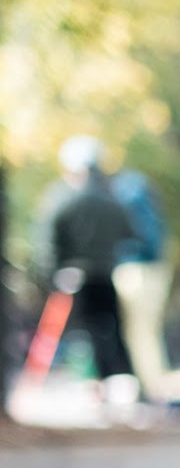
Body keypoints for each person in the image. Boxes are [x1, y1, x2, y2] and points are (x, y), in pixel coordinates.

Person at [36, 136, 136, 394]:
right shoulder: (112, 200)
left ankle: (89, 387)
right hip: (104, 273)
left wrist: (51, 273)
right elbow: (130, 232)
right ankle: (110, 385)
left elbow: (48, 239)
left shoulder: (61, 198)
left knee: (80, 335)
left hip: (73, 276)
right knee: (108, 331)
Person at [110, 166, 173, 400]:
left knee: (139, 332)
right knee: (145, 332)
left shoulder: (129, 194)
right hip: (150, 268)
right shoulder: (142, 197)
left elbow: (144, 240)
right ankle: (152, 384)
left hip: (138, 269)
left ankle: (151, 387)